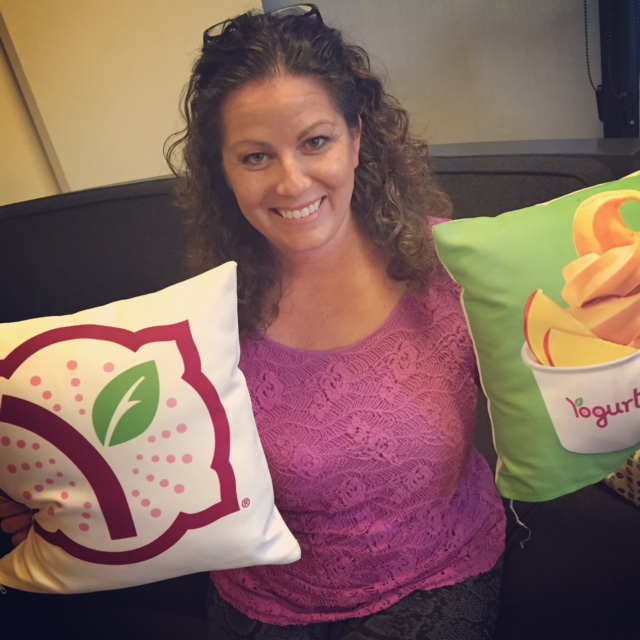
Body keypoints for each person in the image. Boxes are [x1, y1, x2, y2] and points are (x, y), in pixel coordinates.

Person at [1, 5, 506, 639]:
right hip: (262, 600)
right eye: (256, 156)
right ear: (223, 169)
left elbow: (559, 389)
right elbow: (139, 462)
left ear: (356, 138)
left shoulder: (454, 269)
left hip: (432, 575)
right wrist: (51, 491)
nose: (292, 183)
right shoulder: (202, 317)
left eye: (315, 142)